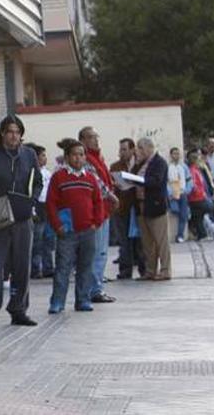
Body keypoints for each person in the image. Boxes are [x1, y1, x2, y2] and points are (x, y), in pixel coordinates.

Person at [0, 114, 42, 328]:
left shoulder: (29, 154)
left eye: (17, 132)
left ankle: (19, 309)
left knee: (22, 265)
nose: (14, 136)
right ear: (3, 133)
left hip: (22, 217)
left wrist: (30, 201)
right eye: (10, 131)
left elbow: (37, 182)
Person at [46, 139, 104, 314]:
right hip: (67, 231)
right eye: (74, 155)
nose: (78, 158)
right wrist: (58, 226)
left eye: (81, 155)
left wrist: (96, 222)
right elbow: (51, 203)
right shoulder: (59, 177)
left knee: (85, 267)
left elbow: (98, 202)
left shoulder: (90, 178)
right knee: (63, 267)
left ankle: (83, 300)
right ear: (67, 157)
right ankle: (57, 302)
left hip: (88, 230)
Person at [78, 126, 118, 304]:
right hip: (95, 211)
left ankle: (96, 286)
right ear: (83, 140)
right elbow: (96, 183)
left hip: (104, 210)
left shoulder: (98, 157)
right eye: (91, 137)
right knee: (97, 252)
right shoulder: (86, 159)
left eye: (96, 136)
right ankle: (94, 289)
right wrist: (110, 194)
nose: (96, 140)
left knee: (101, 251)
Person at [132, 138, 171, 281]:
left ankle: (166, 270)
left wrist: (137, 180)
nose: (138, 151)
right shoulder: (141, 163)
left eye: (141, 148)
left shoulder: (159, 162)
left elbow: (156, 181)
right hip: (142, 206)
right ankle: (150, 270)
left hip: (155, 206)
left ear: (150, 148)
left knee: (161, 241)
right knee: (147, 242)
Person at [111, 138, 146, 279]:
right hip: (122, 207)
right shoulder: (115, 166)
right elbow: (111, 183)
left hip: (138, 207)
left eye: (124, 149)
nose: (121, 152)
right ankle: (125, 270)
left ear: (132, 150)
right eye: (120, 149)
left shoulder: (141, 164)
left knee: (141, 241)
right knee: (124, 241)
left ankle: (144, 269)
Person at [30, 144, 55, 279]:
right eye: (42, 155)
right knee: (37, 241)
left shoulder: (47, 173)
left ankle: (48, 267)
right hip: (38, 206)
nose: (45, 158)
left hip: (47, 206)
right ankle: (35, 268)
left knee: (49, 239)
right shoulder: (32, 172)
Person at [186, 149, 213, 241]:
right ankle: (202, 234)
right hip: (197, 198)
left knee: (198, 217)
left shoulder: (196, 170)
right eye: (198, 159)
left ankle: (202, 235)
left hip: (197, 198)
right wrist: (201, 193)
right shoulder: (193, 170)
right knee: (209, 208)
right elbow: (194, 185)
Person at [167, 147, 191, 243]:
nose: (176, 155)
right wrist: (169, 193)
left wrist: (187, 190)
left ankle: (180, 235)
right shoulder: (168, 167)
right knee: (174, 209)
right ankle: (187, 212)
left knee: (183, 215)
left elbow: (189, 180)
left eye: (178, 153)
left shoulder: (184, 167)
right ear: (171, 155)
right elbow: (165, 182)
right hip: (173, 193)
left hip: (182, 193)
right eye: (174, 153)